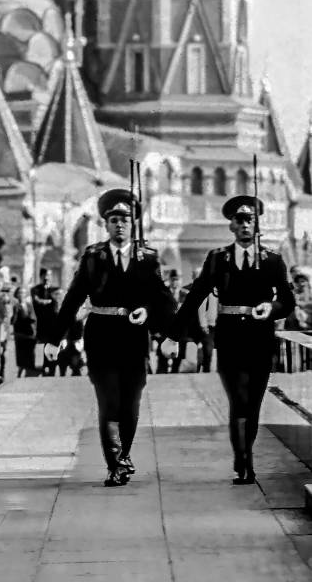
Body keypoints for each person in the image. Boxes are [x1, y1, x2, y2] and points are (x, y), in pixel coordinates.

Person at [45, 188, 176, 487]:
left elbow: (163, 299)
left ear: (133, 224)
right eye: (114, 219)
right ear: (105, 224)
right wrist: (54, 339)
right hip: (101, 336)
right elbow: (73, 299)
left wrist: (155, 319)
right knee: (109, 402)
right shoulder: (93, 256)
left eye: (125, 219)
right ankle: (115, 464)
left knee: (131, 404)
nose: (120, 224)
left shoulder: (148, 258)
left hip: (134, 338)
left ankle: (124, 455)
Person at [161, 195, 295, 485]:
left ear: (257, 225)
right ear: (231, 226)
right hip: (231, 339)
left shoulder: (272, 260)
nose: (245, 224)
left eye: (251, 220)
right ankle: (243, 462)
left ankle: (245, 452)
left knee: (253, 404)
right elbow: (194, 297)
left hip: (260, 340)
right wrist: (172, 335)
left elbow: (287, 300)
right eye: (240, 220)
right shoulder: (217, 259)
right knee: (239, 401)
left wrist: (270, 308)